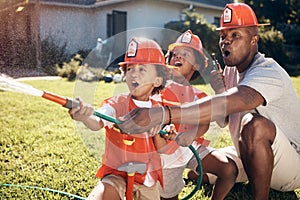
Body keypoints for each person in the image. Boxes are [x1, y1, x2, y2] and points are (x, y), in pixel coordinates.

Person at [117, 3, 300, 200]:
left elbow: (240, 99)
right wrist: (220, 89)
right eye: (223, 37)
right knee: (203, 172)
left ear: (254, 39)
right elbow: (224, 120)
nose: (226, 42)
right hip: (248, 152)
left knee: (255, 125)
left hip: (291, 167)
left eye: (235, 35)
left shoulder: (268, 70)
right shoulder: (231, 71)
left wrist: (164, 114)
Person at [69, 37, 170, 200]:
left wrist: (158, 133)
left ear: (157, 80)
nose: (134, 74)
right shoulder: (117, 104)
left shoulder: (159, 111)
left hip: (147, 181)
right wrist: (85, 116)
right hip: (117, 175)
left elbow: (163, 149)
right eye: (130, 69)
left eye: (142, 69)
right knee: (104, 193)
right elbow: (98, 122)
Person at [154, 30, 241, 200]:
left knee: (229, 169)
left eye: (185, 54)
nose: (178, 57)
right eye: (175, 54)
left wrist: (191, 135)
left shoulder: (200, 96)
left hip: (191, 147)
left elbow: (204, 124)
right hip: (164, 151)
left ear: (197, 65)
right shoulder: (158, 88)